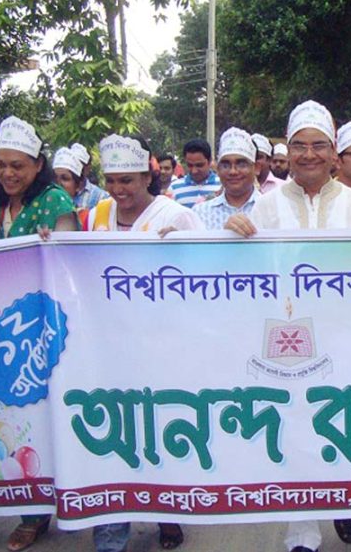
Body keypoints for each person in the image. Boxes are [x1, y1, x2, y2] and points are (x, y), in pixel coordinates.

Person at [225, 100, 351, 552]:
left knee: (341, 421)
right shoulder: (265, 208)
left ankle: (344, 502)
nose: (309, 155)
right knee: (292, 431)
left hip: (345, 336)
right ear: (289, 151)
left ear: (332, 154)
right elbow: (243, 272)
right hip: (285, 340)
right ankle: (301, 531)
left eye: (319, 146)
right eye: (300, 146)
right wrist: (228, 235)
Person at [0, 116, 78, 550]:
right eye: (2, 165)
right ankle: (30, 506)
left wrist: (51, 243)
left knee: (47, 416)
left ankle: (56, 503)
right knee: (13, 418)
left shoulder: (54, 203)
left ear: (37, 166)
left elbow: (68, 262)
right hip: (3, 326)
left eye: (19, 166)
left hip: (45, 330)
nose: (9, 174)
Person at [85, 134, 199, 551]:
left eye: (128, 181)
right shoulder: (97, 213)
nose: (118, 190)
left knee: (159, 435)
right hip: (109, 347)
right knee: (113, 438)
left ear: (147, 175)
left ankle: (166, 513)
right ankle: (111, 534)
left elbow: (204, 276)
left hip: (162, 349)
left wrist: (180, 249)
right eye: (111, 180)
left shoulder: (176, 215)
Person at [193, 128, 260, 229]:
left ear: (256, 168)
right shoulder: (200, 214)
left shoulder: (273, 210)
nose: (233, 171)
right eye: (225, 165)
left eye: (241, 164)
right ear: (218, 169)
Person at [169, 138, 221, 207]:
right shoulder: (174, 188)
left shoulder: (221, 186)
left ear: (209, 161)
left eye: (199, 165)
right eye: (190, 165)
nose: (194, 171)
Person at [68, 143, 109, 210]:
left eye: (79, 164)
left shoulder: (101, 197)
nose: (73, 168)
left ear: (88, 168)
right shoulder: (57, 194)